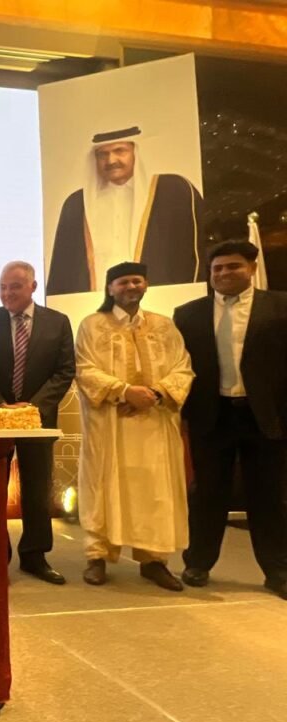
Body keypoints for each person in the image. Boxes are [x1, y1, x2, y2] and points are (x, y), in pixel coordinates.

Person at [173, 240, 287, 599]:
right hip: (212, 414)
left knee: (268, 495)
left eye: (233, 266)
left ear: (252, 268)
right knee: (207, 493)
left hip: (265, 416)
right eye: (217, 268)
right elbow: (180, 367)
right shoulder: (188, 314)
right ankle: (198, 563)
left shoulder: (280, 307)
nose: (224, 273)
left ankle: (278, 570)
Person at [74, 262, 194, 590]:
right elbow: (85, 369)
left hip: (155, 423)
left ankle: (153, 560)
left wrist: (156, 393)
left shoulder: (164, 326)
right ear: (110, 288)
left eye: (136, 281)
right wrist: (125, 391)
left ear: (145, 285)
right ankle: (97, 556)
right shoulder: (92, 325)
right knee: (104, 486)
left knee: (155, 490)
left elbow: (183, 367)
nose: (130, 287)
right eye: (122, 282)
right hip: (110, 424)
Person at [0, 261, 74, 585]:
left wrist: (33, 407)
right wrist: (1, 405)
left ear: (32, 287)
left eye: (14, 287)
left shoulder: (58, 322)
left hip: (38, 420)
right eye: (3, 287)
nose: (7, 293)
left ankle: (35, 556)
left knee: (37, 489)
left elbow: (65, 370)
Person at [47, 126, 202, 295]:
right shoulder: (76, 203)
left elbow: (193, 255)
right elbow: (61, 270)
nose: (111, 160)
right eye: (102, 154)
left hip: (161, 299)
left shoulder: (174, 190)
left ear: (135, 152)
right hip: (93, 303)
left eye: (120, 151)